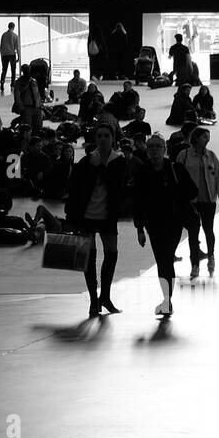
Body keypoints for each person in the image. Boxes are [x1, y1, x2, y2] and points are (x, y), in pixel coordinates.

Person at [66, 123, 129, 318]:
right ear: (95, 139)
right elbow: (75, 190)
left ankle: (105, 296)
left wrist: (99, 167)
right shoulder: (85, 162)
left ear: (113, 139)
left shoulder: (119, 161)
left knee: (111, 255)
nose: (103, 139)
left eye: (106, 136)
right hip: (86, 216)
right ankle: (94, 299)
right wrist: (70, 218)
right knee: (89, 259)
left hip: (107, 216)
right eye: (99, 136)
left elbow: (117, 185)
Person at [133, 134, 197, 319]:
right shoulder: (143, 171)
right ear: (147, 150)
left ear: (164, 149)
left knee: (166, 259)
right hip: (153, 224)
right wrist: (139, 228)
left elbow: (193, 191)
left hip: (173, 222)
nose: (154, 150)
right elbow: (138, 201)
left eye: (158, 146)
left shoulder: (175, 169)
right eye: (151, 146)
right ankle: (167, 299)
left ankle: (167, 301)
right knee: (162, 261)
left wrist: (176, 195)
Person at [176, 126, 219, 279]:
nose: (207, 140)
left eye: (208, 137)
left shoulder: (211, 156)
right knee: (193, 232)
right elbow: (177, 176)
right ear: (196, 138)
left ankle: (211, 255)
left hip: (208, 199)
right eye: (205, 137)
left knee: (208, 229)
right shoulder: (184, 155)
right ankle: (195, 264)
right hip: (191, 200)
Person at [13, 66, 43, 131]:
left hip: (36, 108)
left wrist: (40, 105)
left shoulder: (33, 81)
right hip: (27, 108)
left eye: (28, 70)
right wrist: (22, 108)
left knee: (38, 127)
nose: (27, 72)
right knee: (27, 128)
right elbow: (17, 97)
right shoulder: (19, 82)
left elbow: (37, 94)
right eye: (26, 70)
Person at [0, 22, 20, 91]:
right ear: (13, 27)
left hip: (4, 54)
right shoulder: (15, 36)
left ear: (8, 27)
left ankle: (2, 83)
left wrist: (2, 55)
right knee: (13, 70)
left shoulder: (4, 35)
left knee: (4, 70)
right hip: (12, 54)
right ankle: (12, 85)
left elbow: (1, 46)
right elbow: (17, 48)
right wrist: (19, 57)